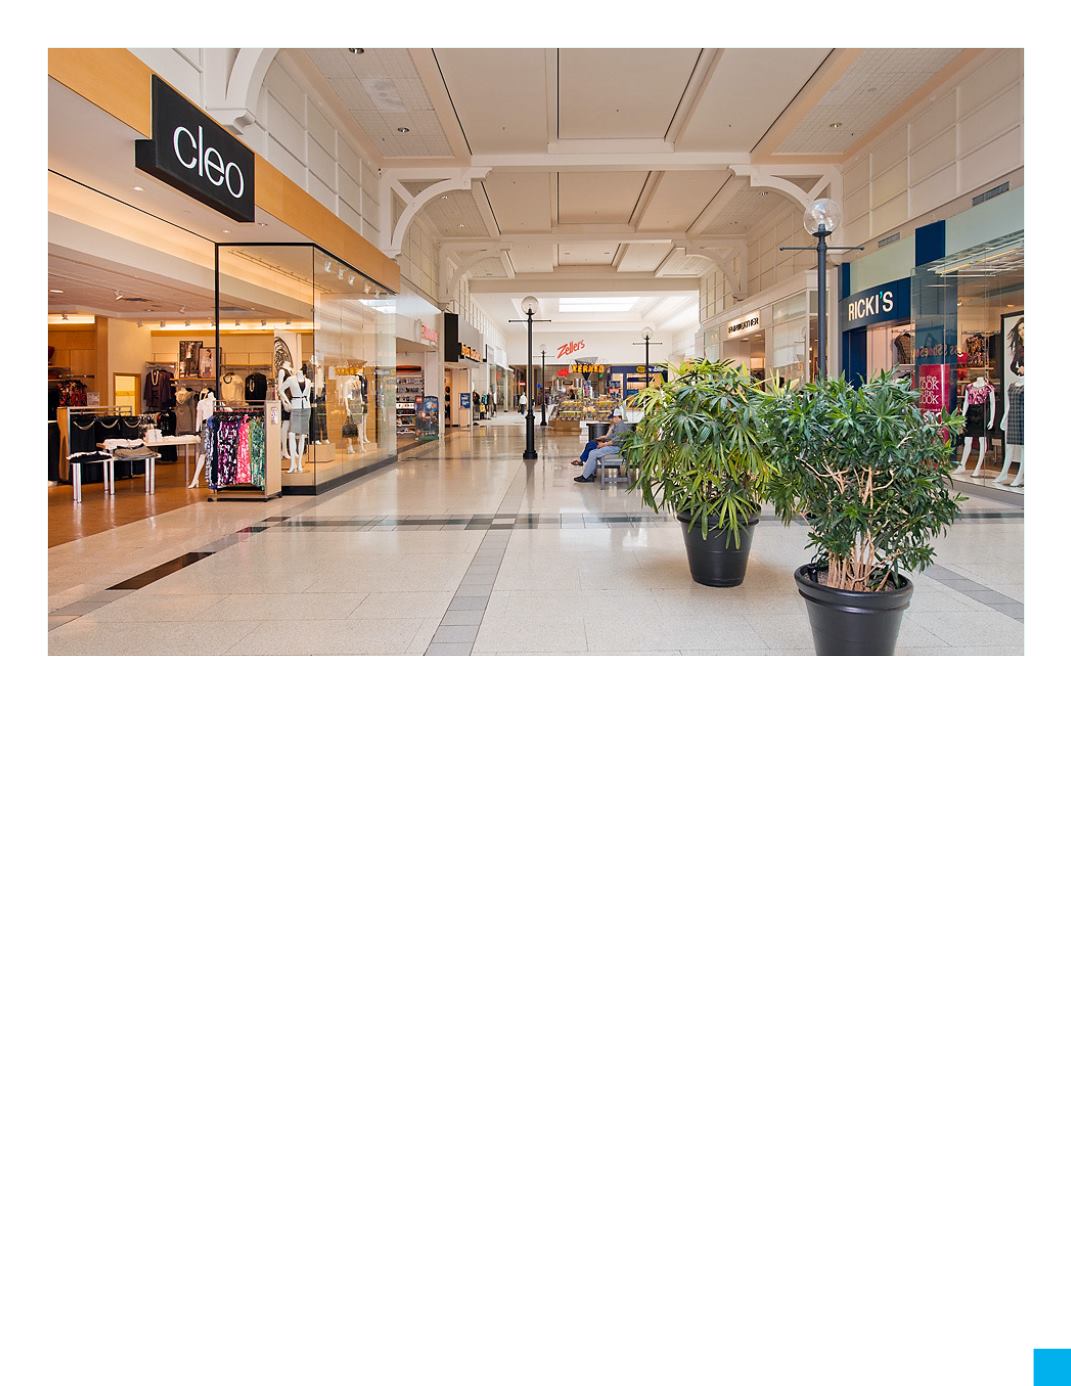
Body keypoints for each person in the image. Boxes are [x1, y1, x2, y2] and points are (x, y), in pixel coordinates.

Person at [574, 409, 631, 483]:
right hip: (614, 446)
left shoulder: (621, 426)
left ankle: (586, 477)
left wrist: (603, 445)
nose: (612, 420)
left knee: (593, 453)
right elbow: (611, 437)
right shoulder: (618, 425)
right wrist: (601, 440)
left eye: (613, 418)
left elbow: (617, 441)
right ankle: (589, 475)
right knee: (592, 451)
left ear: (617, 417)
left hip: (616, 448)